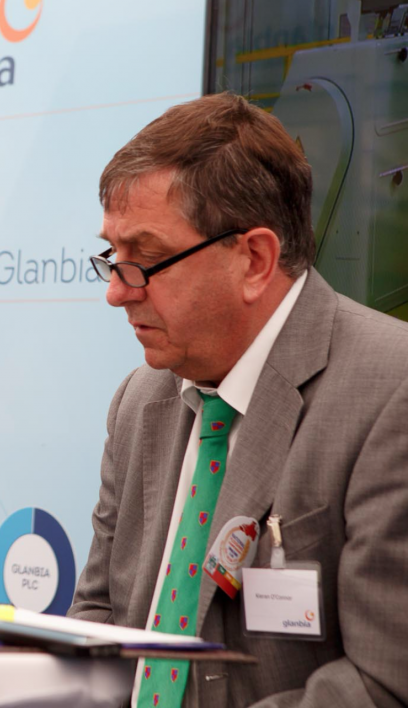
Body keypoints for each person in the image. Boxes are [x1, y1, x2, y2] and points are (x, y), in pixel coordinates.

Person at [69, 92, 408, 707]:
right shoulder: (141, 401)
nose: (117, 292)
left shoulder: (392, 393)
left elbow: (383, 684)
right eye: (111, 257)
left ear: (254, 259)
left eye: (143, 259)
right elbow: (100, 615)